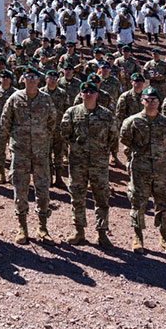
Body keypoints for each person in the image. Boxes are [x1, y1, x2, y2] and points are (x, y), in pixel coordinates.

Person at [0, 65, 59, 245]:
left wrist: (41, 138)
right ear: (23, 79)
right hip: (21, 153)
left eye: (35, 77)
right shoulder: (14, 98)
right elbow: (5, 122)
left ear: (39, 80)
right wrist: (17, 140)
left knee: (43, 189)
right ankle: (22, 227)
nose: (32, 79)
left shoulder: (46, 100)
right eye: (28, 76)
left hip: (41, 153)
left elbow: (52, 122)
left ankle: (42, 227)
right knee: (20, 189)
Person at [120, 87, 166, 255]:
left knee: (163, 202)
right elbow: (126, 141)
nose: (151, 103)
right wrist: (134, 159)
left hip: (160, 168)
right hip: (140, 168)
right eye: (147, 99)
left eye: (154, 100)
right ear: (142, 101)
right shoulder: (132, 121)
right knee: (138, 202)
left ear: (159, 102)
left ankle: (164, 237)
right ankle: (137, 236)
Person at [60, 81, 116, 248]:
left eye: (92, 91)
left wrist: (101, 150)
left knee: (102, 197)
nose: (89, 94)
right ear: (81, 94)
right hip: (78, 162)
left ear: (97, 94)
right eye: (85, 91)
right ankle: (79, 230)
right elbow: (65, 133)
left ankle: (102, 232)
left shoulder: (106, 114)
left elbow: (113, 136)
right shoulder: (72, 112)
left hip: (99, 163)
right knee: (77, 196)